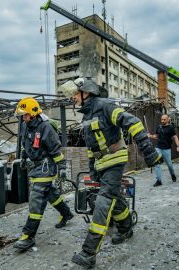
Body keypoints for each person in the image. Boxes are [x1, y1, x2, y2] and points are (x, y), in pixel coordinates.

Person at [59, 77, 163, 268]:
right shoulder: (87, 115)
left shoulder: (105, 105)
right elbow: (91, 147)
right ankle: (125, 228)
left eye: (74, 93)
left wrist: (148, 151)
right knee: (113, 197)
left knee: (103, 201)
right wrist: (93, 169)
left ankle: (89, 253)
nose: (72, 98)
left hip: (115, 160)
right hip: (101, 165)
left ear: (86, 92)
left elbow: (133, 123)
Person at [13, 97, 73, 251]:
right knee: (50, 194)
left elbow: (55, 149)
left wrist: (62, 167)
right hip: (35, 167)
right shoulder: (26, 126)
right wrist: (24, 158)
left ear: (33, 113)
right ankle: (66, 213)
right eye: (21, 115)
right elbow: (25, 145)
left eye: (25, 114)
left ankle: (28, 236)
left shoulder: (45, 127)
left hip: (46, 167)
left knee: (36, 198)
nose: (23, 117)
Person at [148, 114, 179, 187]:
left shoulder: (171, 128)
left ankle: (173, 174)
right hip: (158, 148)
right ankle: (159, 180)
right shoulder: (159, 127)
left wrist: (178, 146)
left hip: (167, 149)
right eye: (162, 119)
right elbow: (156, 136)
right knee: (157, 164)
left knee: (169, 165)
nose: (162, 121)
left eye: (164, 119)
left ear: (168, 119)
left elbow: (175, 137)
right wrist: (150, 136)